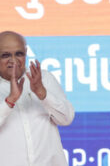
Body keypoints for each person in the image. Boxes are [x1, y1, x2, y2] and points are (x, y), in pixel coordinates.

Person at [0, 31, 74, 165]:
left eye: (19, 53)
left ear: (26, 52)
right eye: (5, 55)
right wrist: (10, 101)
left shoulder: (44, 78)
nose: (13, 60)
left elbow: (66, 118)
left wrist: (42, 94)